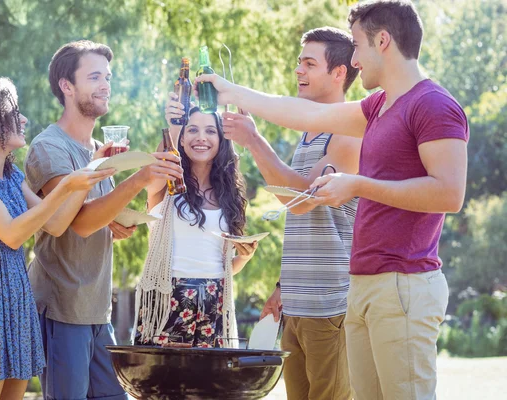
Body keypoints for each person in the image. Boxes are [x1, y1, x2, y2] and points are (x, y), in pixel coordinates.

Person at [195, 1, 469, 398]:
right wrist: (229, 90)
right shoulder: (379, 106)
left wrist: (358, 185)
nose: (355, 59)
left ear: (383, 40)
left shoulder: (433, 105)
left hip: (404, 284)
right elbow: (301, 114)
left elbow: (449, 193)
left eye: (357, 45)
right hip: (364, 283)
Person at [24, 40, 183, 400]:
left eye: (107, 77)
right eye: (94, 77)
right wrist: (139, 179)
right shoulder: (49, 148)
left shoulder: (99, 150)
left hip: (97, 310)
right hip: (63, 307)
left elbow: (93, 215)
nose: (105, 85)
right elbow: (74, 223)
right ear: (67, 86)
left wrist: (115, 219)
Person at [0, 77, 114, 399]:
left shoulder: (11, 175)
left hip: (16, 296)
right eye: (13, 112)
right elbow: (11, 233)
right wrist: (64, 187)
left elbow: (58, 223)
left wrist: (92, 170)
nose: (23, 119)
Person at [222, 27, 360, 399]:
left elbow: (301, 199)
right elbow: (307, 218)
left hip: (328, 304)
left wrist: (253, 139)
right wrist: (283, 288)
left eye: (309, 63)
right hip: (297, 303)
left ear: (339, 74)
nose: (299, 70)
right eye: (299, 61)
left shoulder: (349, 134)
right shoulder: (311, 133)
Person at [133, 102, 258, 348]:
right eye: (192, 130)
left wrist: (244, 257)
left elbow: (222, 267)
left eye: (211, 131)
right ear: (180, 139)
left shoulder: (230, 196)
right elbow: (157, 167)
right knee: (166, 383)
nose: (201, 138)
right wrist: (174, 125)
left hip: (216, 302)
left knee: (210, 384)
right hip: (167, 299)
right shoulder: (167, 185)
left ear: (222, 140)